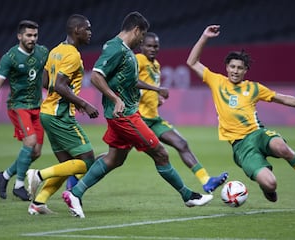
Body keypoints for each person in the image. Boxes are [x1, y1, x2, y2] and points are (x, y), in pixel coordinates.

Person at [62, 11, 213, 218]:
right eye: (142, 36)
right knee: (161, 153)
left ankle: (75, 193)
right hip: (124, 116)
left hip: (124, 114)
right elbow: (96, 76)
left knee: (114, 159)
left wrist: (155, 90)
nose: (142, 41)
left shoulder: (126, 53)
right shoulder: (115, 48)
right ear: (136, 30)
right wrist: (115, 99)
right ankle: (188, 196)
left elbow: (130, 81)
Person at [186, 25, 295, 202]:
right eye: (233, 66)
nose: (236, 71)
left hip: (258, 134)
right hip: (242, 147)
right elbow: (191, 62)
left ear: (245, 71)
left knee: (282, 148)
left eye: (240, 68)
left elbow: (283, 99)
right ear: (226, 67)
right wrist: (205, 37)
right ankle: (266, 187)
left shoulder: (254, 88)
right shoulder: (216, 81)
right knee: (271, 184)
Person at [136, 32, 228, 193]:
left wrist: (155, 97)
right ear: (141, 46)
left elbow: (146, 87)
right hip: (137, 119)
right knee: (115, 158)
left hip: (153, 118)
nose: (152, 49)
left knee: (181, 144)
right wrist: (157, 89)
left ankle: (206, 181)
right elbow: (131, 81)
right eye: (149, 46)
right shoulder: (139, 59)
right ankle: (78, 176)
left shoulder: (155, 64)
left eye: (155, 46)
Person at [26, 14, 99, 215]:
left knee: (67, 165)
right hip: (60, 115)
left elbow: (45, 82)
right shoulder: (73, 55)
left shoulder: (56, 51)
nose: (90, 32)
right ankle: (38, 175)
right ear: (76, 30)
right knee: (87, 161)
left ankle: (38, 203)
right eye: (87, 28)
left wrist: (72, 100)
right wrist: (84, 104)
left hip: (48, 112)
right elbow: (59, 85)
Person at [0, 20, 49, 201]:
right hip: (18, 106)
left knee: (36, 152)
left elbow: (44, 74)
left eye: (35, 35)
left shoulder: (43, 52)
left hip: (37, 106)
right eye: (28, 35)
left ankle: (4, 175)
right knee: (30, 142)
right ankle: (19, 185)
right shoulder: (10, 57)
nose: (32, 39)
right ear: (19, 36)